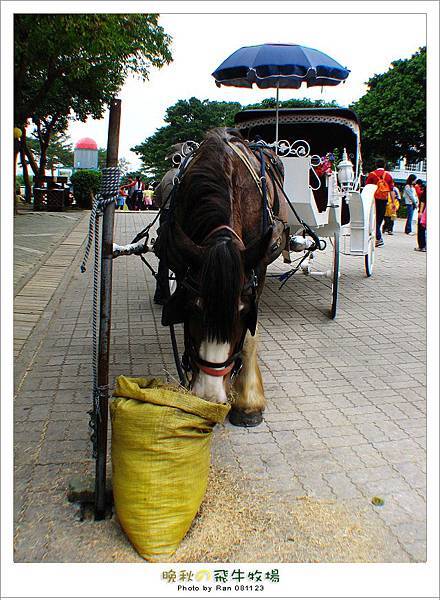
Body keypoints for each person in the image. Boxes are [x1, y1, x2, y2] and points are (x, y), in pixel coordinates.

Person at [152, 145, 183, 305]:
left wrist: (163, 206)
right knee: (180, 254)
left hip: (164, 215)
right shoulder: (183, 175)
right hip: (176, 216)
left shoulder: (166, 175)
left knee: (164, 255)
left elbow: (156, 196)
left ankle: (161, 293)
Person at [366, 159, 395, 247]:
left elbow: (367, 187)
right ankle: (378, 237)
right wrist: (393, 202)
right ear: (384, 165)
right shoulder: (388, 176)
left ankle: (378, 238)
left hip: (374, 199)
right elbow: (391, 190)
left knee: (373, 218)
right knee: (379, 219)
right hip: (384, 199)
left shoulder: (372, 174)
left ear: (376, 165)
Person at [415, 184, 427, 252]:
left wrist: (420, 212)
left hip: (425, 211)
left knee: (421, 228)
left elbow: (423, 200)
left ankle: (422, 246)